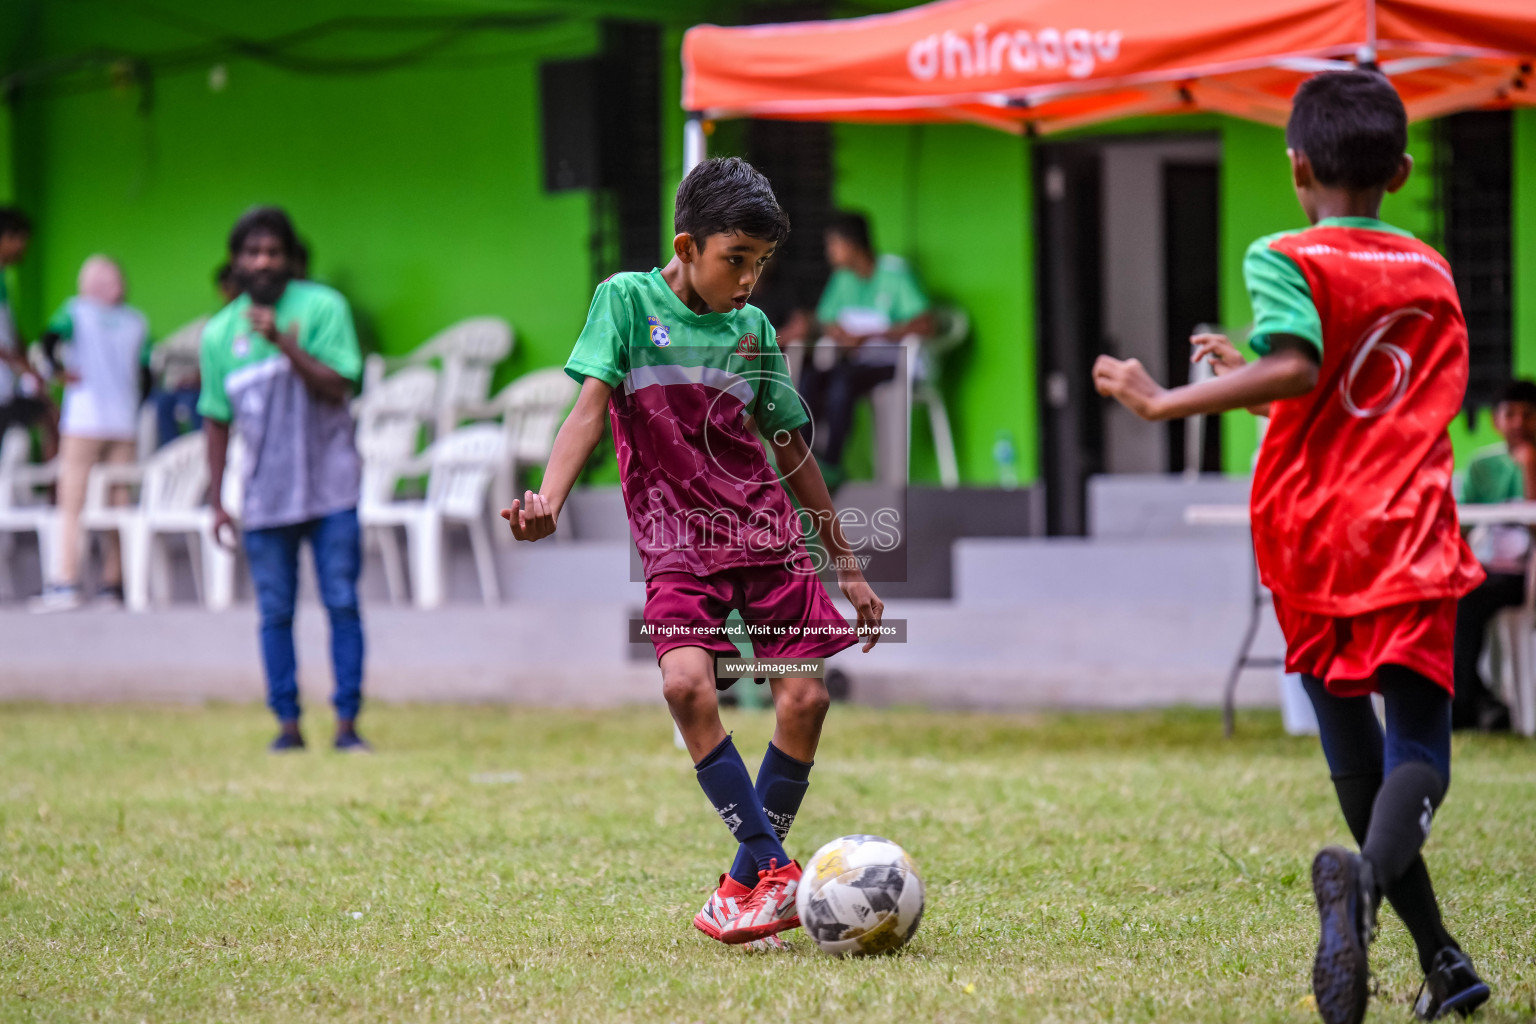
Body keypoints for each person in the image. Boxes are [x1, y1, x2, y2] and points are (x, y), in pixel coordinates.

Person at [1093, 70, 1490, 1024]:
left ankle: (1440, 961)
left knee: (1351, 752)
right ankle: (1393, 920)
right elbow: (1360, 387)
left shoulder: (1284, 252)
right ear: (1399, 171)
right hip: (1407, 525)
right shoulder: (1433, 270)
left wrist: (1164, 398)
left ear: (1297, 165)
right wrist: (1262, 370)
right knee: (1421, 752)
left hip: (1310, 532)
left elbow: (1307, 364)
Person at [505, 157, 885, 949]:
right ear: (688, 244)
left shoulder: (751, 333)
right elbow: (585, 414)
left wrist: (844, 562)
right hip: (677, 539)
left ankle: (746, 887)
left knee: (806, 699)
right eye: (734, 260)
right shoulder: (626, 302)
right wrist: (549, 498)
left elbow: (789, 445)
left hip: (765, 538)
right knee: (686, 686)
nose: (748, 281)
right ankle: (772, 867)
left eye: (761, 264)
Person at [198, 207, 369, 753]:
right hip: (265, 497)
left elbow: (340, 385)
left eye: (272, 251)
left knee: (341, 602)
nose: (262, 261)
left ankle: (346, 724)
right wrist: (216, 499)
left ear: (290, 259)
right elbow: (216, 419)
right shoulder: (219, 335)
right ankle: (287, 726)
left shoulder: (323, 308)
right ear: (236, 263)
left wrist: (287, 345)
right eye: (251, 252)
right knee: (275, 612)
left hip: (330, 488)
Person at [29, 256, 149, 612]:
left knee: (71, 505)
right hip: (123, 424)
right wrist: (133, 406)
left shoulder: (75, 310)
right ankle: (113, 585)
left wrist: (55, 372)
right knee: (119, 505)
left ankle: (66, 582)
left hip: (83, 421)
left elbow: (47, 341)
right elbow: (147, 375)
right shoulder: (136, 321)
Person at [795, 211, 932, 485]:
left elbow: (927, 324)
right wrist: (839, 332)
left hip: (895, 363)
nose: (829, 252)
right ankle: (804, 458)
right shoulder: (842, 278)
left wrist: (875, 334)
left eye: (833, 245)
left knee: (843, 382)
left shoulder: (895, 274)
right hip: (859, 362)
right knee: (811, 379)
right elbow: (826, 320)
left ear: (852, 244)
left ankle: (831, 463)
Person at [1451, 380, 1536, 731]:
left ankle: (1466, 707)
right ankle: (1475, 700)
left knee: (1467, 602)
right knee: (1454, 597)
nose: (1518, 422)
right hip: (1486, 569)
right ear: (1495, 421)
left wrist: (1530, 469)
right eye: (1510, 414)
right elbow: (1461, 530)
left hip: (1525, 576)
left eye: (1528, 415)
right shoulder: (1481, 466)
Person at [146, 264, 238, 449]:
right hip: (204, 385)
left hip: (225, 389)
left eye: (233, 286)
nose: (228, 293)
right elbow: (163, 351)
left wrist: (203, 379)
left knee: (198, 403)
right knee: (162, 400)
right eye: (225, 287)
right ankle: (173, 457)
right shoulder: (213, 324)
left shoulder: (248, 323)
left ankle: (202, 454)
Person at [0, 206, 56, 454]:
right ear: (8, 237)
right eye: (22, 240)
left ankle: (58, 490)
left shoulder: (3, 281)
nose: (24, 248)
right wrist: (22, 366)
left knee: (50, 416)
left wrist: (31, 367)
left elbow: (11, 332)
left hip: (8, 388)